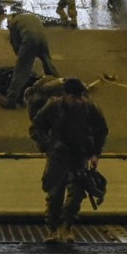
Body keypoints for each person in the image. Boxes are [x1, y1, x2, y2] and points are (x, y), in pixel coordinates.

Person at [30, 77, 109, 242]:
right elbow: (36, 127)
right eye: (74, 97)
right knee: (55, 194)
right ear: (65, 95)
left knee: (77, 194)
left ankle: (67, 226)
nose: (78, 100)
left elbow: (101, 129)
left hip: (79, 154)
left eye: (80, 97)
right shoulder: (53, 106)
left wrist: (95, 153)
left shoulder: (89, 107)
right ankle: (52, 229)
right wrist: (48, 144)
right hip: (58, 154)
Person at [3, 9, 59, 109]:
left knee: (21, 70)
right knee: (48, 63)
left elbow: (16, 45)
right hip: (43, 39)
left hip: (29, 40)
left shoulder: (12, 22)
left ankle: (10, 99)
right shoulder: (31, 17)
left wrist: (22, 58)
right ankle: (60, 87)